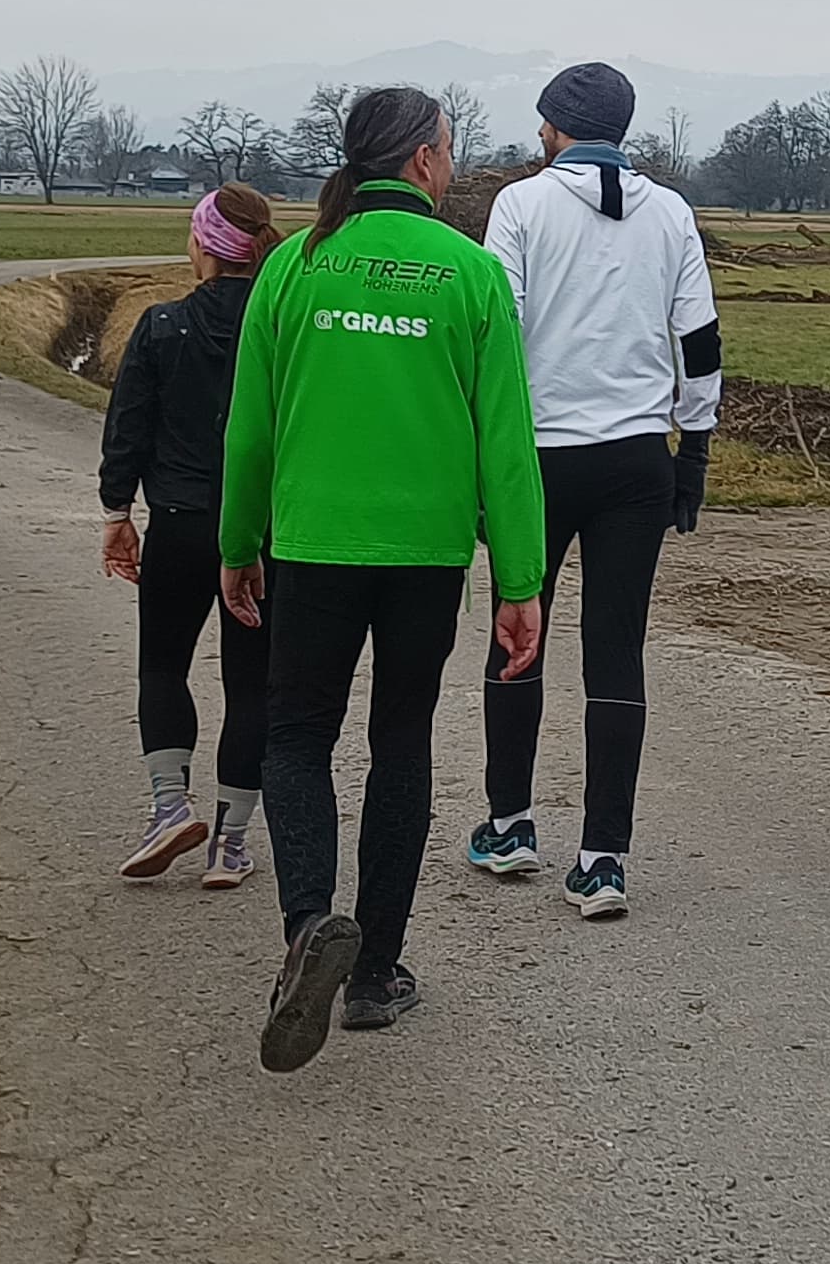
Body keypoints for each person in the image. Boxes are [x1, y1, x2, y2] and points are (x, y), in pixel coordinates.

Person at [218, 87, 548, 1067]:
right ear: (422, 161)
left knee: (297, 735)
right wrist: (519, 579)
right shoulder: (471, 273)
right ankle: (372, 974)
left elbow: (249, 430)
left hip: (312, 542)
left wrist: (237, 544)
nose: (449, 161)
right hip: (425, 553)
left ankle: (307, 928)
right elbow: (506, 443)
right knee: (400, 741)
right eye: (447, 147)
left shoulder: (293, 264)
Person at [465, 61, 721, 919]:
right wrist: (695, 450)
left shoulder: (521, 205)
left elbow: (498, 332)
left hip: (538, 457)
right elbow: (700, 339)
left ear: (556, 126)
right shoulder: (671, 211)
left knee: (516, 632)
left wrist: (482, 459)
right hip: (638, 459)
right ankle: (603, 858)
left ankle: (510, 824)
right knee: (617, 651)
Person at [97, 181, 282, 887]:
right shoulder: (281, 327)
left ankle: (170, 807)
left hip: (178, 523)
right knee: (252, 686)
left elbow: (128, 427)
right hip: (261, 532)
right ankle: (230, 845)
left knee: (163, 666)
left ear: (203, 245)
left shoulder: (161, 325)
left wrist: (117, 512)